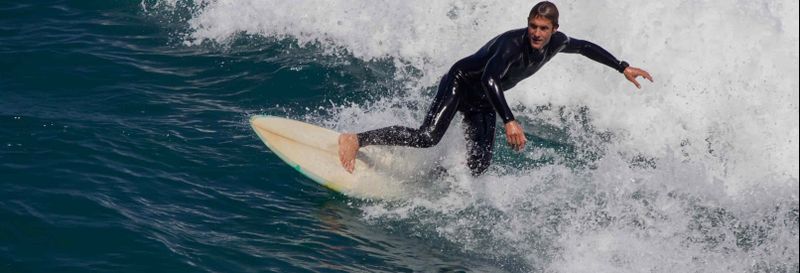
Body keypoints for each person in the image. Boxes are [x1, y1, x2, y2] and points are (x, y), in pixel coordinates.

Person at [338, 1, 653, 176]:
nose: (537, 33)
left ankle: (436, 179)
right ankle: (356, 140)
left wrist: (622, 67)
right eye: (533, 26)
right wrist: (510, 120)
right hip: (462, 83)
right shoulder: (511, 46)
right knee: (427, 137)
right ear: (527, 24)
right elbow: (489, 78)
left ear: (554, 29)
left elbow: (584, 47)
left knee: (478, 164)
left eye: (543, 28)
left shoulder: (558, 42)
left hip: (484, 100)